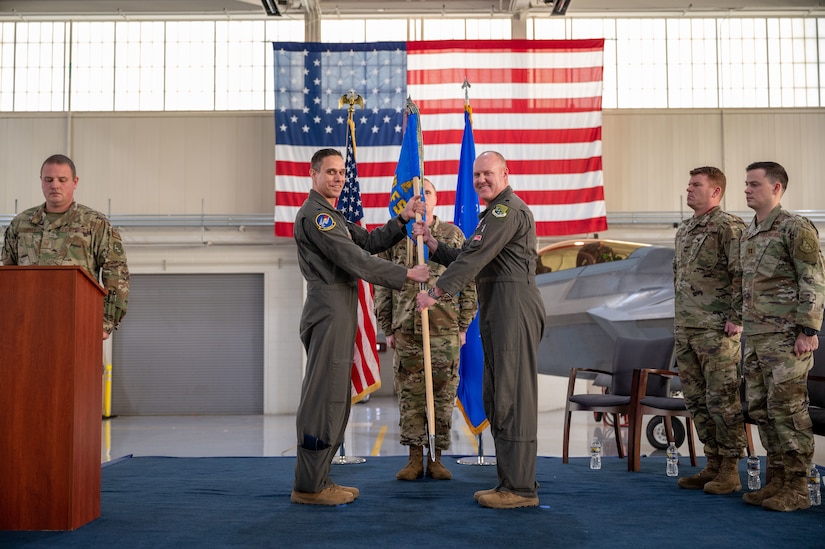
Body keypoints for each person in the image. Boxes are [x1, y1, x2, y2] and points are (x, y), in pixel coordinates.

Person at [291, 148, 430, 506]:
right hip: (329, 306)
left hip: (340, 305)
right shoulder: (316, 216)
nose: (338, 178)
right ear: (313, 175)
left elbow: (368, 241)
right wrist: (405, 274)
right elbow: (355, 258)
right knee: (323, 397)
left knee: (336, 395)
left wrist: (402, 218)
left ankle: (319, 478)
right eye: (330, 172)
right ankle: (309, 486)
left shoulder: (331, 214)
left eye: (341, 172)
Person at [414, 151, 545, 509]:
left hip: (512, 307)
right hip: (499, 307)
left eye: (488, 173)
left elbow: (474, 258)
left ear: (505, 173)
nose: (480, 180)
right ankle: (510, 481)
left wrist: (436, 292)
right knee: (498, 395)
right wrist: (434, 246)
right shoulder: (493, 215)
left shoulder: (506, 211)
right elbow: (471, 255)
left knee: (512, 397)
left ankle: (520, 489)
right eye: (476, 175)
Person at [374, 178, 478, 481]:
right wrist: (387, 327)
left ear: (436, 199)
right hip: (407, 329)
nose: (422, 199)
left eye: (427, 193)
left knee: (443, 396)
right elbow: (383, 286)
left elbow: (468, 281)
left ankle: (436, 457)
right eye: (416, 195)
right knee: (410, 396)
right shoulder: (394, 237)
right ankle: (413, 457)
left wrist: (463, 325)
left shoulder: (452, 235)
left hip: (445, 329)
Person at [739, 161, 825, 512]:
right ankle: (777, 482)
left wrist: (808, 330)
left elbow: (813, 280)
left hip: (787, 339)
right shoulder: (750, 232)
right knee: (763, 410)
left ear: (776, 188)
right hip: (757, 340)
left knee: (789, 413)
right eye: (745, 183)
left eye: (754, 184)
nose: (747, 189)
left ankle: (799, 487)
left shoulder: (795, 228)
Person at [672, 166, 747, 494]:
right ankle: (712, 463)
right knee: (697, 400)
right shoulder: (685, 229)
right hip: (687, 329)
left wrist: (737, 316)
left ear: (715, 191)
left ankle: (730, 469)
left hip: (717, 331)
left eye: (696, 185)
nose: (689, 189)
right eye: (688, 184)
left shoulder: (728, 227)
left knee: (722, 399)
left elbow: (742, 273)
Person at [2, 154, 129, 339]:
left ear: (75, 182)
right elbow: (7, 275)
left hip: (78, 323)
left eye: (62, 180)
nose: (55, 185)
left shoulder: (95, 224)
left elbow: (117, 272)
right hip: (27, 325)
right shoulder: (21, 224)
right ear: (41, 181)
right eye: (48, 179)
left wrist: (106, 322)